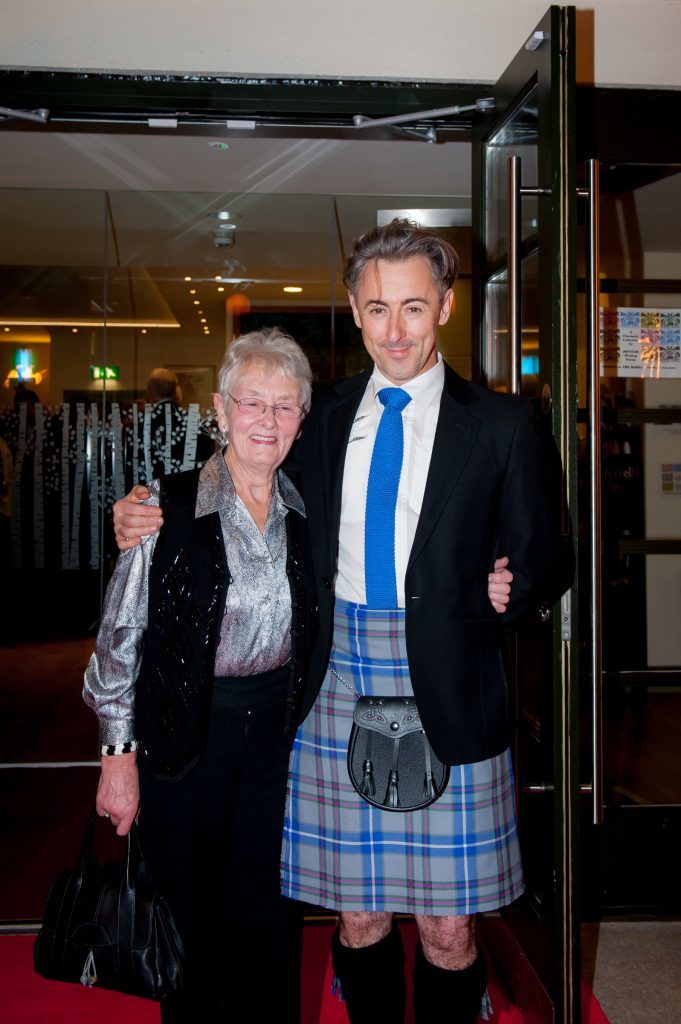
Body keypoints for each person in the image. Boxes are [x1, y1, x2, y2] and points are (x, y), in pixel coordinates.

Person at [113, 219, 558, 1024]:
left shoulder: (502, 425)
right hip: (337, 676)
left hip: (449, 688)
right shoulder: (322, 417)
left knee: (449, 925)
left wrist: (515, 585)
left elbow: (546, 555)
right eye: (378, 307)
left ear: (445, 309)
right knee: (357, 916)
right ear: (355, 310)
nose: (395, 329)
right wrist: (149, 510)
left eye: (413, 308)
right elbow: (246, 463)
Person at [84, 329, 318, 1022]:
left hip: (277, 743)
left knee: (269, 917)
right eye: (252, 403)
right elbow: (118, 641)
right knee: (184, 925)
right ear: (220, 409)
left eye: (284, 406)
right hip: (184, 741)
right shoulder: (163, 504)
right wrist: (117, 758)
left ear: (302, 419)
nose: (267, 421)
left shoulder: (307, 513)